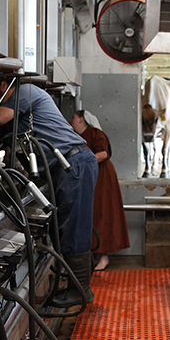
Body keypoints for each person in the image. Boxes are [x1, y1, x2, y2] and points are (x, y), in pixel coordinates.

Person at [0, 77, 98, 307]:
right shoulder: (16, 115)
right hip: (64, 167)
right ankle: (77, 283)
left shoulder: (26, 91)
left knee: (74, 227)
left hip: (73, 162)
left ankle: (80, 290)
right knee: (66, 227)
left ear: (3, 85)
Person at [70, 111, 129, 271]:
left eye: (73, 118)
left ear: (81, 119)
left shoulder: (96, 133)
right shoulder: (77, 136)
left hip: (102, 177)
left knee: (102, 211)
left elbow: (103, 153)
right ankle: (96, 254)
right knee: (93, 213)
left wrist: (83, 161)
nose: (71, 120)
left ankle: (103, 255)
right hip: (91, 176)